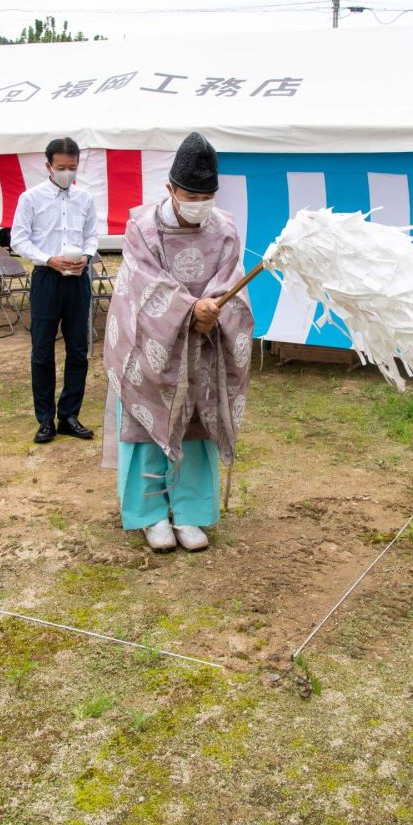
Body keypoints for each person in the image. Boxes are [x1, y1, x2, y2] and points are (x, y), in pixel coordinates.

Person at [103, 132, 253, 553]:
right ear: (169, 188)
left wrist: (214, 310)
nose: (199, 203)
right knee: (148, 422)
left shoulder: (224, 229)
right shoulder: (142, 227)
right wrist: (189, 310)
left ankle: (190, 513)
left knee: (196, 424)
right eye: (190, 194)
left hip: (204, 344)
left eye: (207, 195)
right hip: (152, 342)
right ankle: (150, 514)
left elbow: (231, 281)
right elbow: (142, 283)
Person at [11, 137, 98, 444]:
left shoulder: (85, 198)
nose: (67, 173)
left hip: (77, 278)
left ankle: (69, 415)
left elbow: (91, 236)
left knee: (78, 349)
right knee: (42, 349)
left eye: (72, 168)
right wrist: (48, 259)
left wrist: (86, 257)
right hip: (47, 277)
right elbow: (18, 240)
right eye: (61, 167)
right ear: (48, 165)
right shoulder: (31, 198)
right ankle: (45, 418)